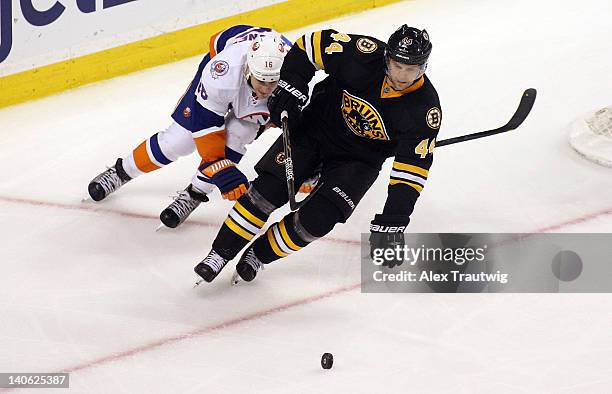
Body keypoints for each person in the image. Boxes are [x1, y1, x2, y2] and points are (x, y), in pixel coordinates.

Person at [193, 25, 442, 283]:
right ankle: (220, 253)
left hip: (359, 160)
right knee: (265, 193)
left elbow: (411, 172)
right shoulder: (361, 55)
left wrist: (395, 217)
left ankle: (258, 254)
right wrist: (293, 83)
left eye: (411, 69)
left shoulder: (425, 111)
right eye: (397, 66)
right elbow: (310, 45)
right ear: (386, 58)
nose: (401, 76)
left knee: (319, 221)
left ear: (423, 67)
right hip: (316, 130)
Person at [86, 25, 293, 228]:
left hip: (263, 86)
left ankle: (195, 193)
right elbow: (205, 125)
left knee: (238, 135)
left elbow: (305, 123)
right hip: (222, 74)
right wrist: (219, 169)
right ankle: (122, 171)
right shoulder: (222, 72)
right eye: (261, 81)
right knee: (179, 140)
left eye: (272, 82)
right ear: (248, 68)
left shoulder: (295, 77)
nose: (266, 89)